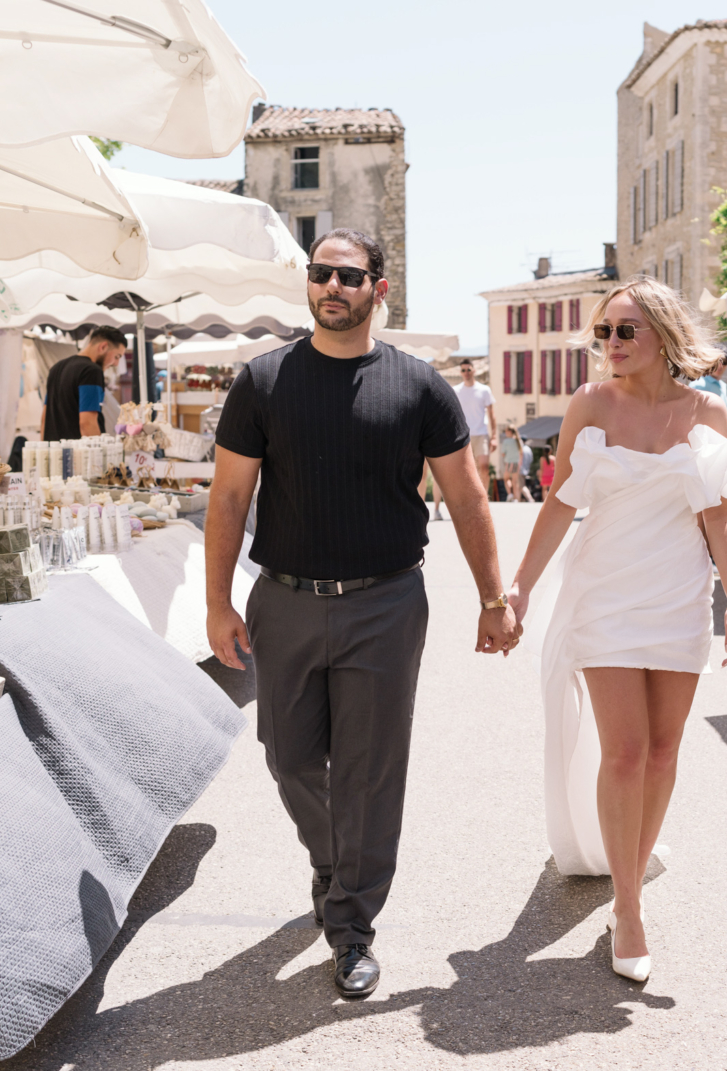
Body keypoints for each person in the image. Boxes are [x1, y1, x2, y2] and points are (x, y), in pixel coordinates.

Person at [204, 228, 520, 1002]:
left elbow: (467, 494)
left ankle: (349, 927)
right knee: (290, 758)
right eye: (320, 273)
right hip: (283, 598)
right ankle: (335, 862)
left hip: (385, 601)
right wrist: (216, 601)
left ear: (380, 287)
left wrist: (492, 594)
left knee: (371, 773)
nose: (332, 286)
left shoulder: (420, 386)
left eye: (349, 275)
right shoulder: (263, 381)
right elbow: (229, 497)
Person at [506, 275, 727, 982]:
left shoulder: (708, 411)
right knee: (626, 752)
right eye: (602, 332)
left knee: (665, 751)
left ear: (663, 337)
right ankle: (629, 905)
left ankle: (630, 878)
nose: (609, 344)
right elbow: (558, 503)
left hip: (677, 593)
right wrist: (519, 587)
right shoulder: (589, 403)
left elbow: (720, 513)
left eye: (624, 331)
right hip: (605, 592)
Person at [431, 357, 495, 520]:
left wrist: (494, 436)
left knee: (484, 467)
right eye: (463, 370)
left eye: (468, 369)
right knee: (462, 472)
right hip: (462, 435)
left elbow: (492, 415)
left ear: (473, 370)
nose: (466, 373)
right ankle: (444, 507)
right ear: (460, 373)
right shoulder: (456, 390)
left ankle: (484, 502)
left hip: (481, 433)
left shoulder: (484, 390)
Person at [41, 326, 127, 440]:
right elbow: (87, 423)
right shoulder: (91, 371)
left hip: (53, 451)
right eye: (117, 356)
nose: (116, 363)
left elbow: (45, 418)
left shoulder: (56, 368)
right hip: (78, 454)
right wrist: (98, 455)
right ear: (103, 347)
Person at [499, 424, 523, 502]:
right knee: (515, 481)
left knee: (506, 479)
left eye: (506, 431)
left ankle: (510, 494)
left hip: (508, 463)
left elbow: (503, 453)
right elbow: (521, 453)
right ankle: (516, 498)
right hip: (516, 463)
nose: (505, 433)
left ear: (509, 431)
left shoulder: (506, 441)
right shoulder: (519, 441)